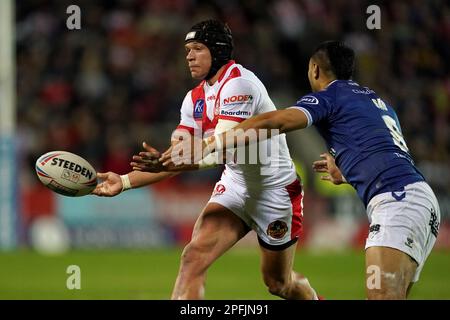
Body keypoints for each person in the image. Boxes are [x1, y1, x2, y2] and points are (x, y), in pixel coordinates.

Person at [167, 40, 441, 300]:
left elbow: (278, 121)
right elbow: (387, 153)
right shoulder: (377, 103)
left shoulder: (331, 95)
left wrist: (211, 142)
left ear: (315, 69)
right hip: (419, 200)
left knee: (381, 295)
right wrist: (345, 171)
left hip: (397, 202)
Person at [94, 19, 319, 300]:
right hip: (235, 186)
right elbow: (176, 156)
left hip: (275, 191)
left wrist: (171, 161)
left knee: (278, 284)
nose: (189, 55)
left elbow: (218, 150)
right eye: (188, 49)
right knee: (193, 257)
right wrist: (124, 181)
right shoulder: (193, 99)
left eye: (197, 48)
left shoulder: (240, 83)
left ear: (218, 51)